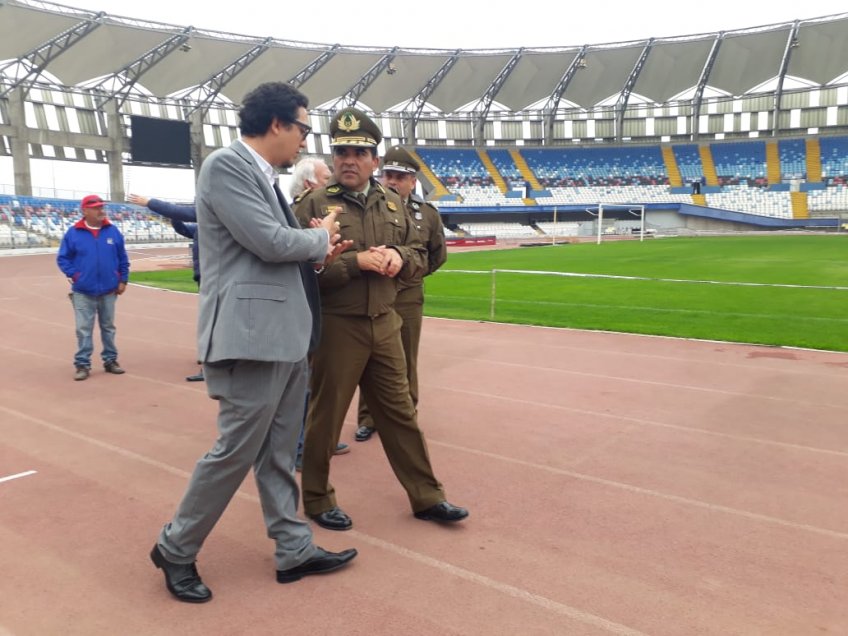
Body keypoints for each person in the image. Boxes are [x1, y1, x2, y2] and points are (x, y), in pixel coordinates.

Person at [151, 82, 356, 604]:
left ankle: (293, 548)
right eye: (303, 128)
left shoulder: (262, 176)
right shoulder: (226, 166)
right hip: (250, 337)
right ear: (277, 124)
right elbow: (268, 242)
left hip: (283, 336)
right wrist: (320, 237)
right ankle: (175, 547)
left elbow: (273, 254)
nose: (304, 140)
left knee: (278, 452)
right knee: (234, 452)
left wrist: (317, 254)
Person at [294, 108, 468, 531]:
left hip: (386, 322)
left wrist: (398, 257)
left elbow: (421, 254)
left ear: (374, 161)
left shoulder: (393, 203)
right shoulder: (313, 204)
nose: (349, 160)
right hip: (338, 325)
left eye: (359, 153)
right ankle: (317, 498)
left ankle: (427, 496)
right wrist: (355, 263)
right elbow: (296, 272)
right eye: (342, 152)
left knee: (401, 414)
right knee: (326, 417)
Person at [355, 146, 447, 442]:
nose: (392, 181)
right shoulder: (371, 208)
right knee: (369, 358)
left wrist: (411, 274)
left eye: (400, 177)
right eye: (388, 175)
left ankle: (406, 416)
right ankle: (368, 418)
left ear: (413, 181)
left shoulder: (427, 215)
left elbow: (437, 254)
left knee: (406, 358)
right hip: (374, 293)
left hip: (407, 297)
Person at [286, 156, 350, 467]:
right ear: (311, 184)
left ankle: (316, 438)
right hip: (300, 308)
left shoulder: (315, 209)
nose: (332, 183)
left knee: (318, 380)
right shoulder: (301, 211)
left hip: (316, 305)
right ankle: (300, 447)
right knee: (304, 381)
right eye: (327, 179)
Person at [126, 194, 204, 382]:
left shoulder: (212, 224)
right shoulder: (200, 229)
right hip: (205, 278)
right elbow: (181, 227)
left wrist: (150, 203)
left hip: (214, 277)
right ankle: (208, 356)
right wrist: (175, 217)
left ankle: (213, 364)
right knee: (207, 321)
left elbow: (181, 213)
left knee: (213, 320)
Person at [56, 194, 129, 381]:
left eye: (102, 207)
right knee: (83, 329)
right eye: (96, 208)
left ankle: (110, 360)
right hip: (83, 291)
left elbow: (123, 258)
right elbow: (63, 258)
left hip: (109, 290)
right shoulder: (73, 233)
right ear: (85, 211)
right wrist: (75, 275)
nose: (101, 211)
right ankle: (82, 364)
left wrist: (123, 279)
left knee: (108, 327)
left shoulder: (113, 231)